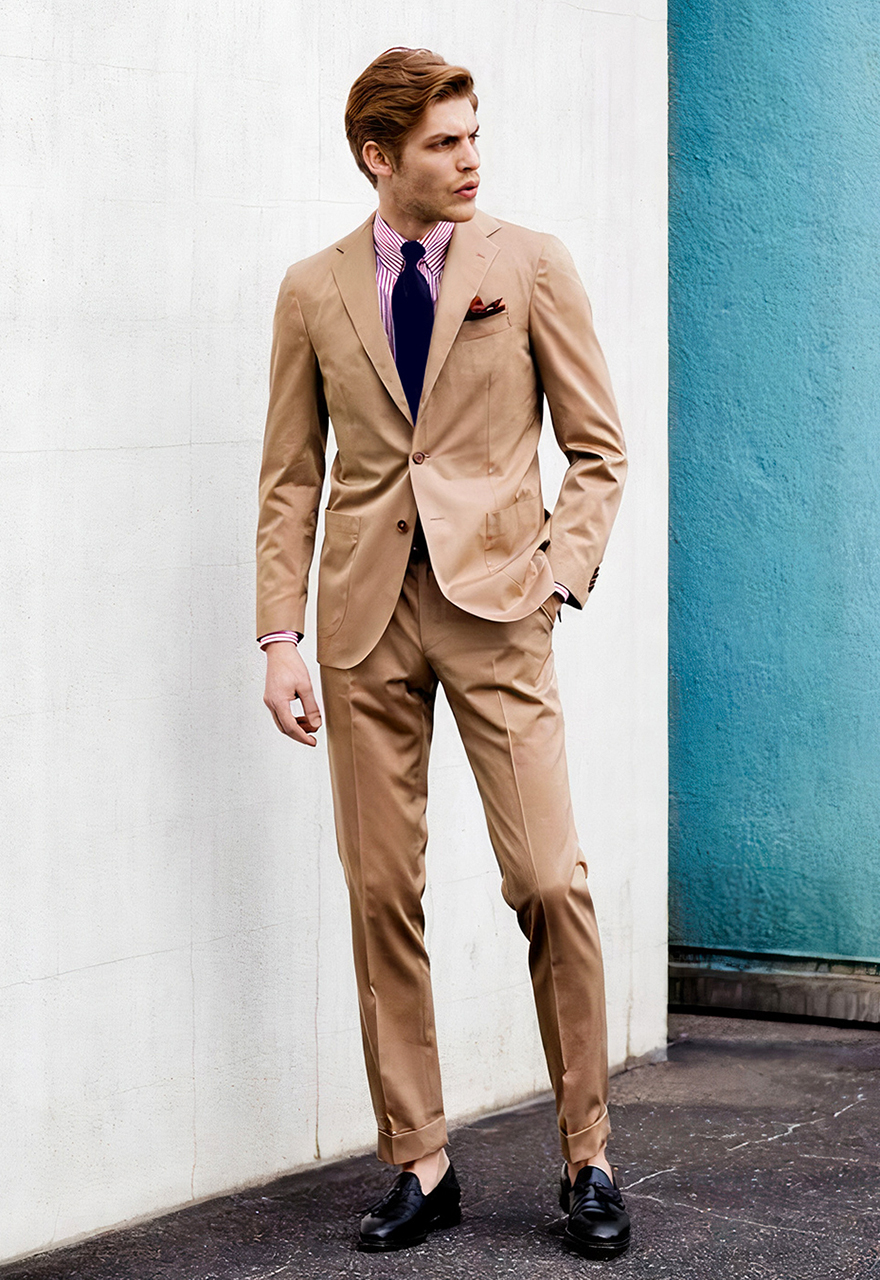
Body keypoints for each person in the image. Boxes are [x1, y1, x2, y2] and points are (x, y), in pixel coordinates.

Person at [256, 46, 629, 1260]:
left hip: (498, 608)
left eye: (475, 135)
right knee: (381, 896)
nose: (472, 158)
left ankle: (588, 1155)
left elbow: (596, 446)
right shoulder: (312, 289)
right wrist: (280, 638)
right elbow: (288, 479)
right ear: (380, 155)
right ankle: (421, 1160)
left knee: (549, 881)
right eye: (444, 142)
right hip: (364, 620)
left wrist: (558, 576)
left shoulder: (528, 266)